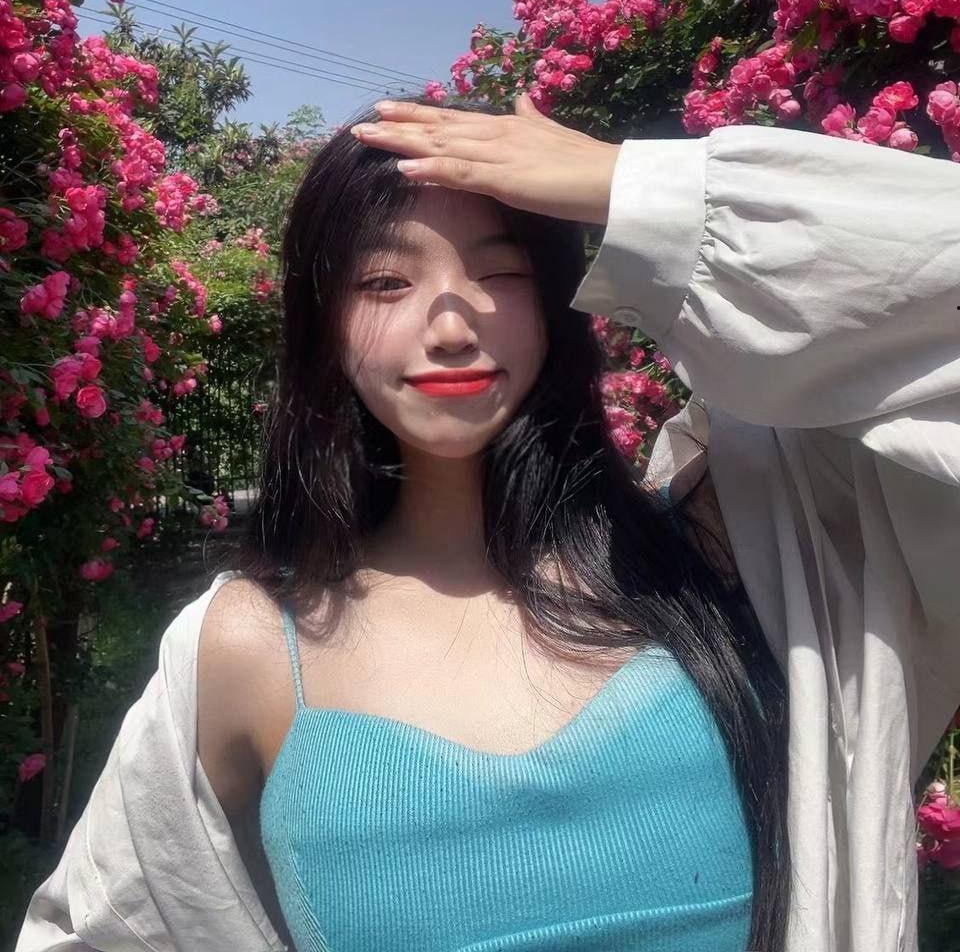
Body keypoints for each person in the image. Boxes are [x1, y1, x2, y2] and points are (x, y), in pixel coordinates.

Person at [14, 92, 960, 952]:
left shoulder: (732, 546)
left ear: (554, 304)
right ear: (325, 327)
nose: (451, 325)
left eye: (501, 272)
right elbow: (101, 930)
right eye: (384, 283)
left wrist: (627, 186)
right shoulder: (250, 644)